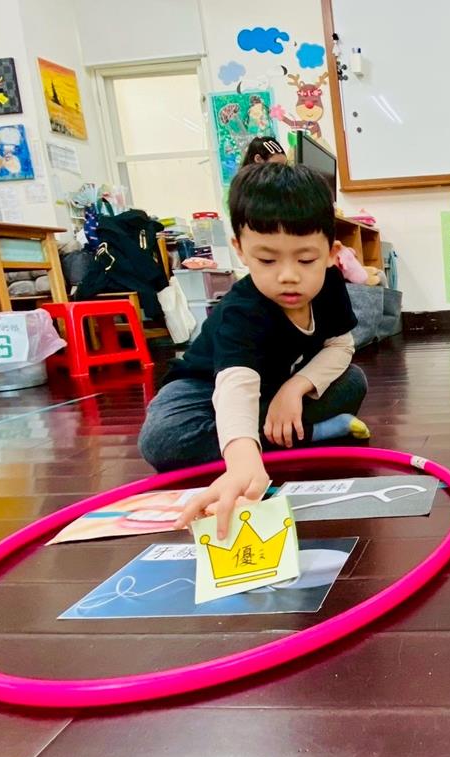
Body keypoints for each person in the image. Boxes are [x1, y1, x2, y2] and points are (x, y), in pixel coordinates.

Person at [138, 163, 368, 538]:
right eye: (267, 260)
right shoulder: (241, 311)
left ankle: (271, 432)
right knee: (162, 439)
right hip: (203, 390)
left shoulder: (329, 285)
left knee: (354, 381)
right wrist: (242, 460)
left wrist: (294, 389)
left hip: (274, 388)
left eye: (306, 260)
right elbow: (236, 383)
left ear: (331, 253)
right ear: (240, 250)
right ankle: (301, 434)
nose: (288, 275)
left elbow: (341, 346)